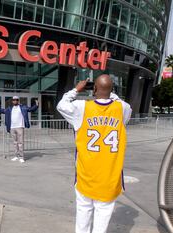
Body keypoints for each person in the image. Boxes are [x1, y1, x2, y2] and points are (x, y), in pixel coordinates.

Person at [57, 75, 132, 233]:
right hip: (109, 175)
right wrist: (108, 90)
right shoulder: (122, 108)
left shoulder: (81, 107)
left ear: (95, 89)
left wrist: (77, 89)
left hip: (86, 173)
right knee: (102, 217)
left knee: (83, 212)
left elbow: (62, 105)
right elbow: (117, 101)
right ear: (111, 90)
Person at [0, 96, 38, 163]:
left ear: (18, 101)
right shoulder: (9, 109)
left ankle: (21, 157)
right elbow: (2, 110)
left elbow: (31, 109)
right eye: (13, 100)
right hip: (12, 127)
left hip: (20, 127)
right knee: (15, 143)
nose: (15, 101)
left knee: (20, 143)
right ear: (12, 101)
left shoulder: (23, 107)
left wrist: (36, 105)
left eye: (16, 100)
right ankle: (16, 156)